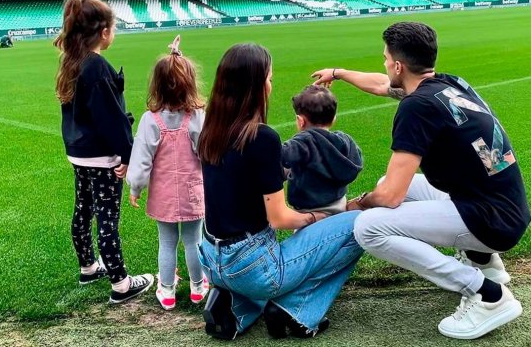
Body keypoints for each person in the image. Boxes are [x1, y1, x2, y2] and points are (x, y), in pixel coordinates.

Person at [312, 21, 531, 340]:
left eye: (386, 58)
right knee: (397, 181)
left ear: (398, 65)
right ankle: (486, 263)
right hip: (504, 205)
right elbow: (380, 84)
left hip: (490, 221)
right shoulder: (449, 84)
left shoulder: (417, 107)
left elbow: (389, 197)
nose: (385, 64)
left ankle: (487, 295)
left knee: (368, 226)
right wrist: (339, 72)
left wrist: (357, 203)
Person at [197, 43, 363, 340]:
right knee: (360, 226)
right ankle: (297, 311)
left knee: (260, 269)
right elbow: (280, 219)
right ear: (258, 85)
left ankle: (237, 307)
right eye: (269, 78)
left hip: (211, 259)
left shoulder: (211, 129)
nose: (271, 85)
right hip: (252, 265)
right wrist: (320, 217)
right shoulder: (261, 137)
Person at [54, 0, 153, 304]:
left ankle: (88, 267)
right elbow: (112, 121)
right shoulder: (96, 67)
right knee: (107, 218)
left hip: (79, 152)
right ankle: (121, 284)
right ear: (104, 32)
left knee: (83, 210)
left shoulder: (73, 60)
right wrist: (128, 157)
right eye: (114, 26)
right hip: (100, 156)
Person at [126, 35, 209, 310]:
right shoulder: (197, 116)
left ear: (157, 87)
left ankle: (167, 290)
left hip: (163, 195)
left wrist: (135, 187)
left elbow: (141, 161)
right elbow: (206, 152)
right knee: (193, 241)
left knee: (167, 242)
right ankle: (198, 287)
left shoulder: (151, 120)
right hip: (193, 192)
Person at [282, 85, 363, 214]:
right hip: (339, 204)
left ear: (300, 120)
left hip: (309, 211)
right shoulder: (345, 140)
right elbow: (356, 159)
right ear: (334, 118)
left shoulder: (302, 142)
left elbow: (278, 156)